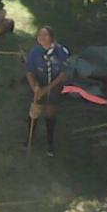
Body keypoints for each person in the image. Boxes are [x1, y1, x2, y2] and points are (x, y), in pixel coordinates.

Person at [24, 26, 70, 157]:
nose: (41, 37)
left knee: (50, 113)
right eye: (39, 35)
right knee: (34, 111)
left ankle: (50, 142)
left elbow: (63, 75)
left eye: (45, 35)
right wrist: (35, 88)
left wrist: (46, 89)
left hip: (54, 86)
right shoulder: (35, 52)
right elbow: (29, 71)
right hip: (39, 84)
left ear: (52, 37)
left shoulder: (61, 52)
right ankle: (30, 139)